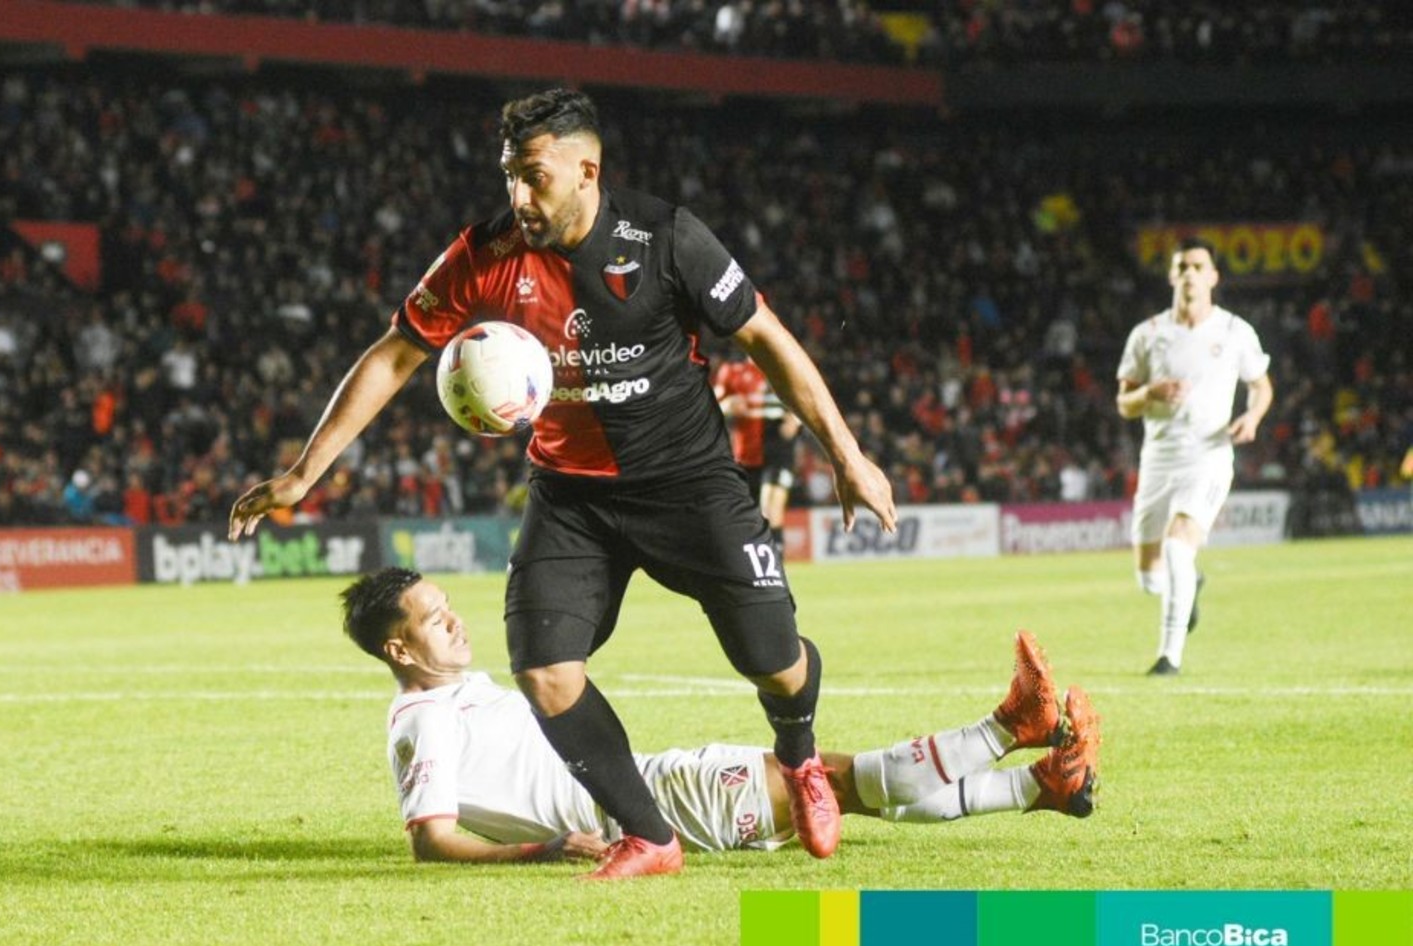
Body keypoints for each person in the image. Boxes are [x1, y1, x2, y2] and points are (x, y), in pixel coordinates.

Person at [229, 87, 897, 878]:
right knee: (545, 670)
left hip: (688, 483)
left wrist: (846, 456)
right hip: (571, 495)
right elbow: (396, 350)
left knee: (772, 659)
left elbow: (766, 338)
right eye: (510, 175)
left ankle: (800, 756)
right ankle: (649, 837)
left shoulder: (667, 237)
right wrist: (304, 472)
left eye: (534, 176)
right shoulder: (483, 255)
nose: (519, 196)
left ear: (587, 170)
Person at [346, 569, 1101, 865]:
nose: (456, 622)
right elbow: (431, 840)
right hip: (647, 808)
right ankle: (1010, 725)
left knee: (848, 792)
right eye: (433, 620)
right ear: (397, 648)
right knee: (833, 780)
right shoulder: (422, 717)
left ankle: (1040, 786)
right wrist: (541, 850)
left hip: (648, 787)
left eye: (448, 607)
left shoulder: (456, 689)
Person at [1116, 238, 1273, 676]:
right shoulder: (1147, 334)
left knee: (1177, 546)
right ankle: (1191, 583)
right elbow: (1124, 403)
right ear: (1172, 276)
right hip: (1158, 460)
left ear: (1213, 277)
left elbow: (1261, 386)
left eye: (1198, 266)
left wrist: (1252, 416)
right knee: (1150, 578)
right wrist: (1150, 392)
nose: (1189, 273)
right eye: (1182, 266)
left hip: (1208, 456)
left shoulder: (1235, 331)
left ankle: (1169, 657)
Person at [712, 352, 802, 555]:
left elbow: (805, 399)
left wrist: (795, 421)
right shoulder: (731, 371)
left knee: (770, 509)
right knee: (748, 518)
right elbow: (711, 407)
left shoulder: (785, 368)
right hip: (744, 455)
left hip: (778, 448)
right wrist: (727, 406)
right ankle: (754, 562)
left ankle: (776, 564)